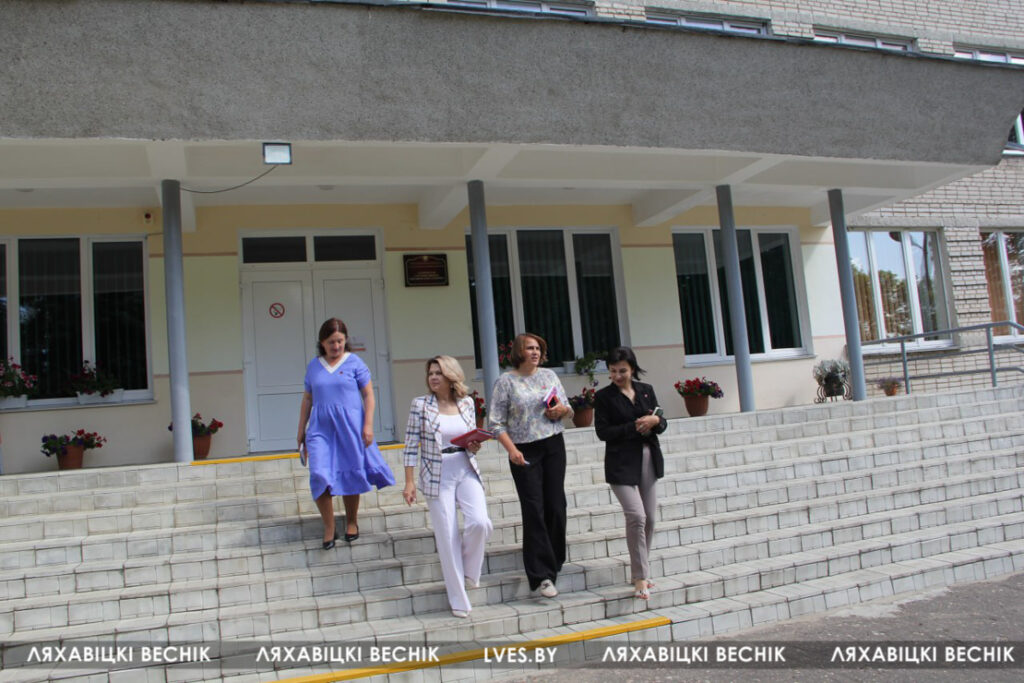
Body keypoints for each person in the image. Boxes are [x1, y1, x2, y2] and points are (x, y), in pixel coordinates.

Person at [402, 355, 493, 618]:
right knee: (447, 536)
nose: (433, 377)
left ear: (451, 376)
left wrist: (474, 445)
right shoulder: (420, 405)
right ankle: (459, 599)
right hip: (437, 473)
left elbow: (470, 440)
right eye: (430, 373)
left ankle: (469, 571)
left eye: (438, 373)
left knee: (481, 523)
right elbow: (410, 446)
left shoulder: (466, 403)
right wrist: (409, 482)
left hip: (465, 466)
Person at [297, 318, 395, 550]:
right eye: (331, 342)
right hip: (320, 429)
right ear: (322, 342)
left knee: (350, 471)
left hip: (350, 426)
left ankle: (351, 521)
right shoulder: (314, 366)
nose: (336, 346)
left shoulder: (355, 363)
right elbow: (308, 398)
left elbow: (368, 395)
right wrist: (301, 430)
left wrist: (368, 425)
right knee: (319, 473)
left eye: (340, 341)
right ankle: (329, 527)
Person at [489, 333, 573, 598]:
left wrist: (561, 411)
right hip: (523, 450)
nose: (535, 352)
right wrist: (512, 450)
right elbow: (495, 423)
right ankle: (541, 576)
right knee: (534, 509)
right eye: (530, 348)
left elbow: (568, 408)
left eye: (538, 348)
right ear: (519, 352)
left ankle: (554, 560)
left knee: (556, 506)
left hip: (553, 445)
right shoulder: (506, 381)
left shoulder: (549, 375)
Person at [592, 346, 667, 600]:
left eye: (622, 371)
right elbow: (603, 432)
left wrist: (655, 421)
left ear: (632, 369)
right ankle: (640, 577)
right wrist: (634, 427)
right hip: (620, 463)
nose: (617, 376)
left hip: (648, 458)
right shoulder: (604, 397)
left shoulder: (646, 390)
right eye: (612, 371)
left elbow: (662, 421)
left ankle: (639, 570)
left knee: (650, 518)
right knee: (636, 516)